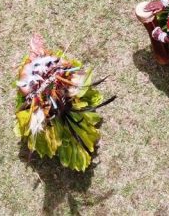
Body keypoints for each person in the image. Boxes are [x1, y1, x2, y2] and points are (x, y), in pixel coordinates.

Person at [14, 34, 113, 172]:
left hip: (63, 100)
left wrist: (64, 75)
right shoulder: (28, 80)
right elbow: (24, 84)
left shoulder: (54, 66)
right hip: (48, 109)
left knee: (71, 98)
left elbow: (66, 67)